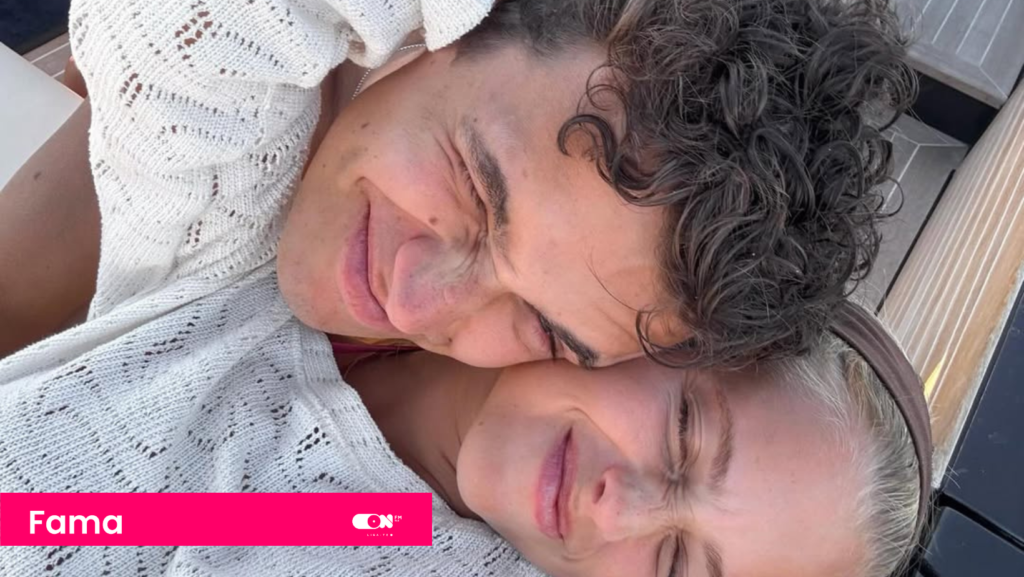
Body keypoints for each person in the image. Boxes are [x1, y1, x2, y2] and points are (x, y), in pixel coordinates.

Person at [0, 0, 915, 368]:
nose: (416, 301)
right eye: (474, 187)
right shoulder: (208, 112)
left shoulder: (423, 484)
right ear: (450, 27)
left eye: (544, 330)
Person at [0, 301, 930, 577]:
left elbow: (50, 523)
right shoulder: (362, 253)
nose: (622, 507)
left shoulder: (381, 535)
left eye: (678, 565)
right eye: (687, 434)